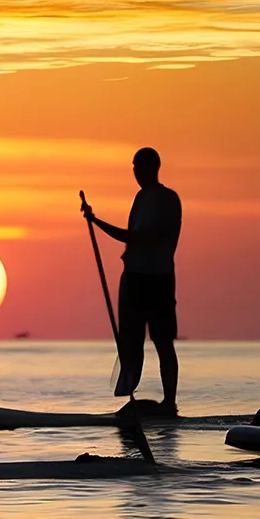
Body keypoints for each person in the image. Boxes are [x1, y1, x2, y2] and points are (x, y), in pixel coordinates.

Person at [83, 148, 182, 414]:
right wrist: (95, 221)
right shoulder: (140, 197)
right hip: (134, 278)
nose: (135, 172)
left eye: (139, 166)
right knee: (130, 339)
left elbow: (137, 238)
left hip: (157, 279)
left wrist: (97, 222)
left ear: (152, 167)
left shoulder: (166, 199)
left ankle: (169, 403)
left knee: (162, 341)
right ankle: (132, 396)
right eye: (134, 167)